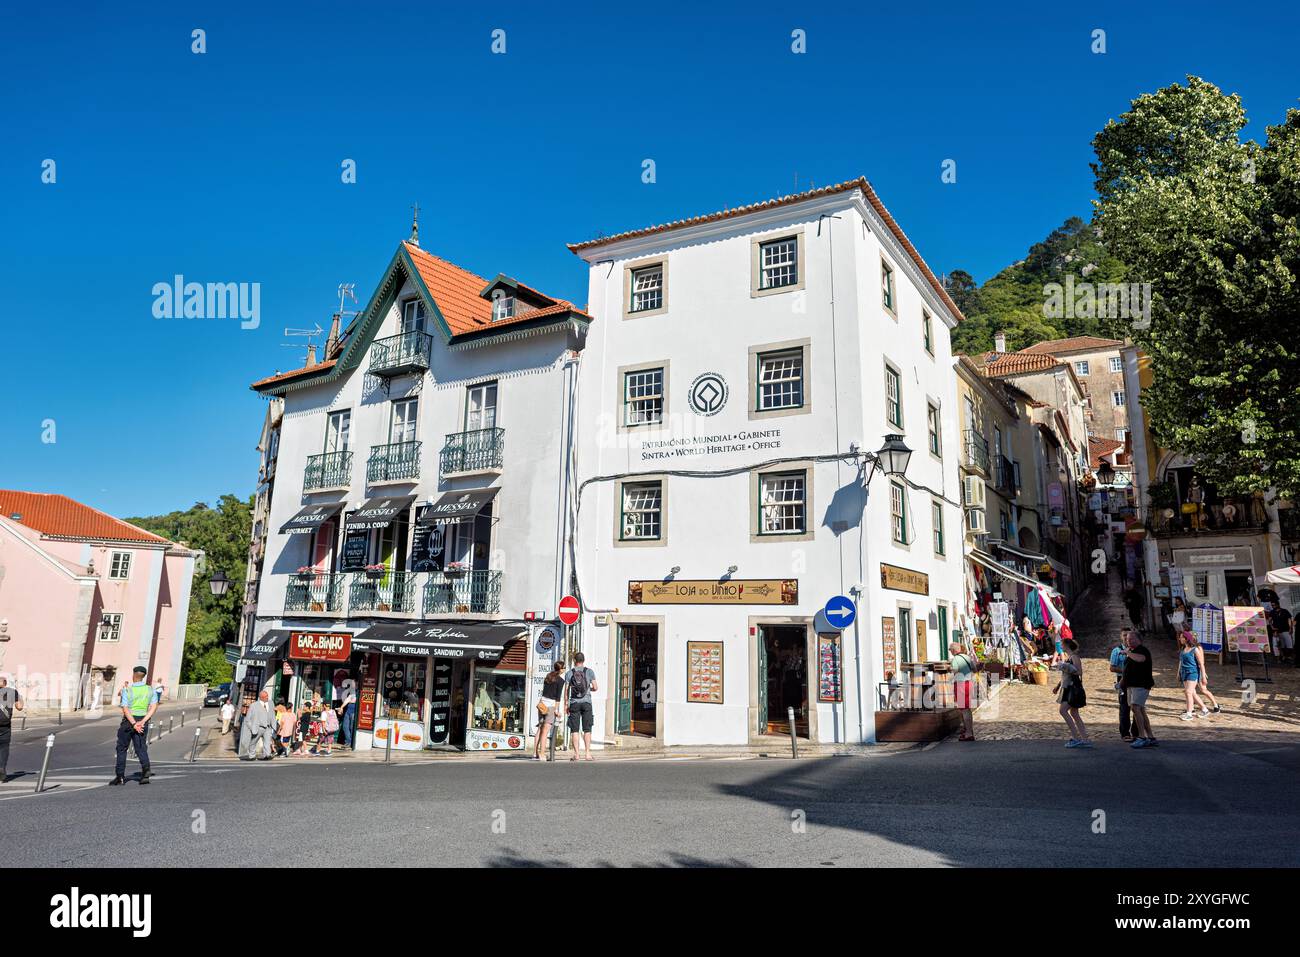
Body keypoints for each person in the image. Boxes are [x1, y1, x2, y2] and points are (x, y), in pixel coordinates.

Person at [112, 666, 160, 785]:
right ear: (144, 676)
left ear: (134, 675)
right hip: (142, 720)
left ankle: (120, 777)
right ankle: (146, 772)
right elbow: (154, 707)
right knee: (140, 748)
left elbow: (125, 709)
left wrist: (134, 723)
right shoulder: (150, 690)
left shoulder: (127, 690)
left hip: (129, 721)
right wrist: (143, 721)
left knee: (122, 748)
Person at [1051, 638, 1091, 747]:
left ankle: (1076, 737)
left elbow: (1078, 672)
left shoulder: (1074, 657)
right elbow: (1066, 675)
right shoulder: (1070, 657)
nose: (1061, 647)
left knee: (1063, 711)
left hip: (1072, 689)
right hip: (1068, 687)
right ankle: (1084, 739)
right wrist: (1058, 686)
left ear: (1067, 645)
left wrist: (1065, 666)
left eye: (1062, 645)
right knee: (1074, 713)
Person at [1122, 631, 1158, 749]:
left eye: (1131, 639)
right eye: (1127, 639)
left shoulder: (1142, 650)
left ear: (1139, 639)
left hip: (1141, 684)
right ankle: (1151, 737)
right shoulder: (1131, 651)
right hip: (1131, 685)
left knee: (1135, 707)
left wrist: (1128, 653)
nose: (1129, 641)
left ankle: (1142, 737)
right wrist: (1121, 683)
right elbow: (1127, 669)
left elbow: (1141, 659)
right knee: (1140, 709)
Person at [562, 652, 598, 762]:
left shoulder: (569, 673)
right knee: (587, 729)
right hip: (586, 703)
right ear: (584, 660)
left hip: (574, 703)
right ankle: (587, 754)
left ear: (574, 660)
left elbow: (566, 691)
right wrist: (588, 690)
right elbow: (595, 687)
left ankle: (576, 754)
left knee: (574, 730)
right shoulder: (589, 671)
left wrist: (566, 704)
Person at [947, 642, 980, 742]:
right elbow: (975, 669)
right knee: (968, 709)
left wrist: (950, 669)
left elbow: (955, 670)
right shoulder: (967, 657)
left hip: (961, 684)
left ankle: (969, 733)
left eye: (950, 650)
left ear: (953, 650)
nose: (950, 652)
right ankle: (969, 731)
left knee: (964, 710)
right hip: (969, 683)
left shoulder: (955, 659)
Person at [534, 659, 566, 760]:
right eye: (564, 667)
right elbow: (558, 697)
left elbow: (545, 691)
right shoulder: (561, 681)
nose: (565, 669)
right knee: (545, 731)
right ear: (560, 669)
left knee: (540, 729)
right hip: (550, 706)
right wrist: (556, 710)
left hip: (542, 704)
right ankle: (542, 754)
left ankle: (535, 753)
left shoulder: (548, 676)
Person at [1176, 632, 1209, 720]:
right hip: (1184, 673)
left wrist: (1203, 677)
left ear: (1186, 638)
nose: (1180, 639)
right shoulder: (1183, 649)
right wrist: (1178, 673)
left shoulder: (1195, 649)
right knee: (1192, 693)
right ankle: (1204, 709)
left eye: (1181, 637)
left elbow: (1201, 664)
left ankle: (1189, 714)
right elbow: (1181, 662)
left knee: (1188, 692)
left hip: (1193, 673)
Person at [1109, 630, 1133, 741]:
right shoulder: (1117, 650)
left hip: (1136, 679)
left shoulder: (1136, 649)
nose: (1126, 637)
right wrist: (1126, 671)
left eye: (1128, 635)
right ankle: (1125, 732)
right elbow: (1112, 667)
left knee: (1137, 706)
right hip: (1122, 679)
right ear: (1121, 637)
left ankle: (1137, 732)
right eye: (1124, 635)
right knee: (1124, 706)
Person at [0, 676, 25, 783]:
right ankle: (2, 767)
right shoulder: (12, 692)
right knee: (4, 747)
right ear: (5, 683)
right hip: (5, 725)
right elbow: (19, 707)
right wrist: (21, 698)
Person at [243, 691, 276, 760]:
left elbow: (272, 713)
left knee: (267, 742)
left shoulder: (271, 703)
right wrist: (251, 728)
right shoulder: (254, 705)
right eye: (265, 697)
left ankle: (267, 755)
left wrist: (273, 723)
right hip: (258, 727)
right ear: (261, 698)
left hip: (268, 727)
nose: (267, 697)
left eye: (267, 696)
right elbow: (247, 719)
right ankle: (252, 755)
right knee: (253, 742)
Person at [339, 681, 358, 750]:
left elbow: (354, 700)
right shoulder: (352, 692)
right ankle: (348, 741)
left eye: (353, 683)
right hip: (348, 709)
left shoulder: (359, 691)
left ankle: (351, 743)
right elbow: (347, 700)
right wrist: (341, 707)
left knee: (351, 727)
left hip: (354, 710)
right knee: (345, 726)